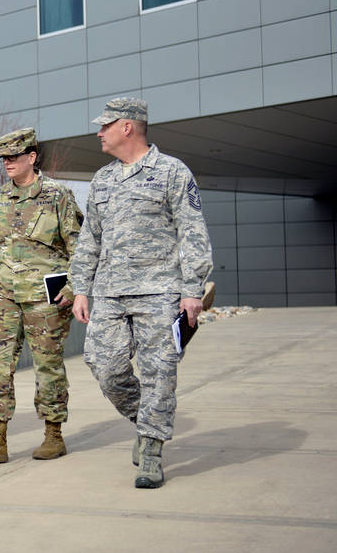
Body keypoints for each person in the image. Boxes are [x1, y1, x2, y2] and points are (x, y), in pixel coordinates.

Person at [70, 97, 213, 489]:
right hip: (111, 294)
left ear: (127, 127)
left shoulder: (171, 173)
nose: (99, 132)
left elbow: (193, 233)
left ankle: (151, 448)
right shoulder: (102, 179)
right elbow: (90, 240)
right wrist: (81, 289)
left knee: (158, 374)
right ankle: (143, 421)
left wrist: (192, 289)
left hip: (159, 292)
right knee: (104, 366)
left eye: (106, 125)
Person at [0, 128, 83, 463]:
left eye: (13, 157)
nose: (7, 163)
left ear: (32, 157)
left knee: (48, 365)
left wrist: (73, 288)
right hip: (3, 294)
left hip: (45, 296)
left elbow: (79, 249)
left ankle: (54, 435)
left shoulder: (58, 196)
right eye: (3, 158)